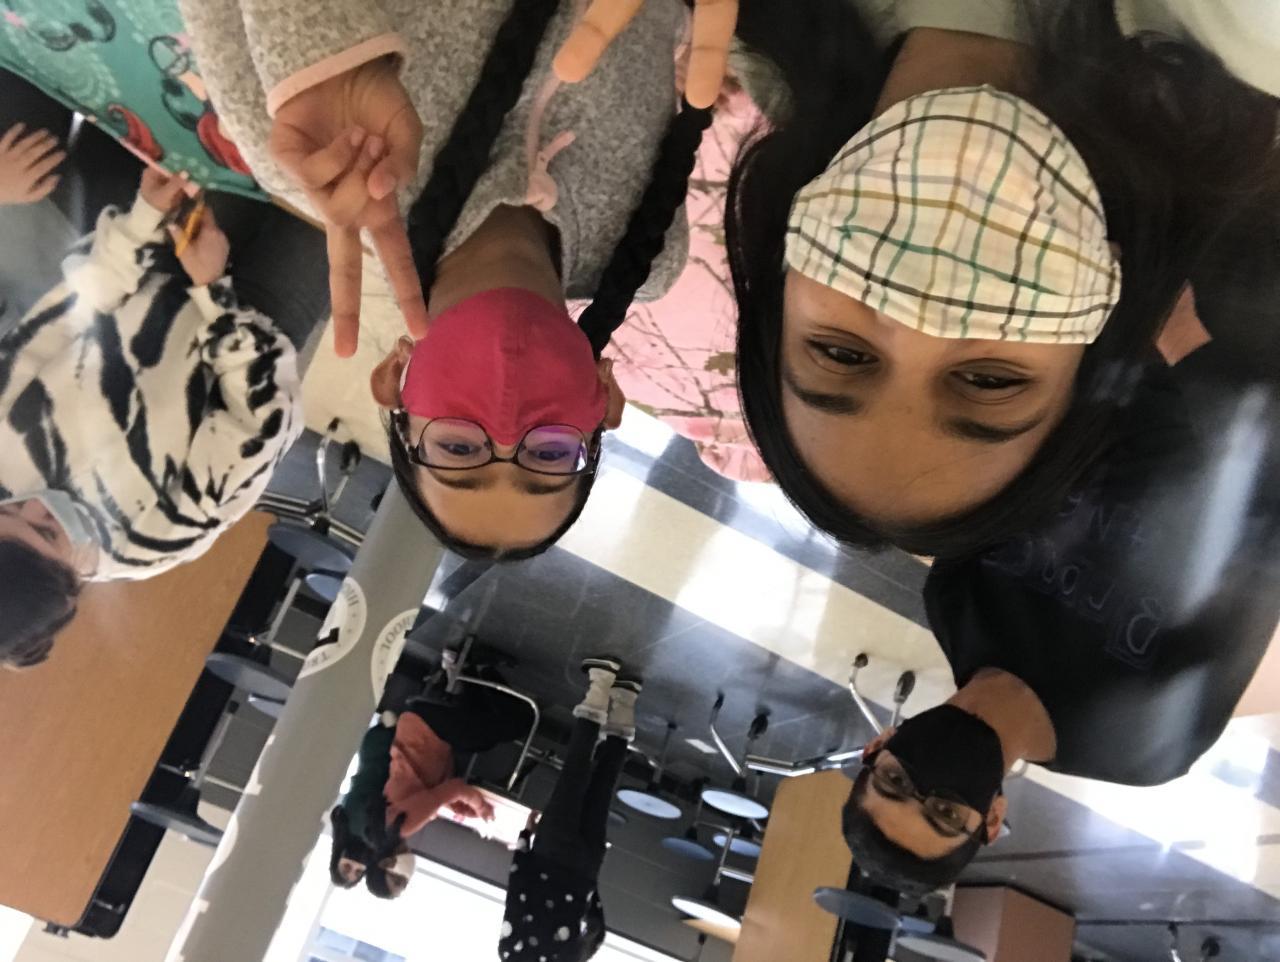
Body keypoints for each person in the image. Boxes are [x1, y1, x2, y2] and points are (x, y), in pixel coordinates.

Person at [181, 0, 716, 560]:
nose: (507, 425)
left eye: (458, 450)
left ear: (394, 379)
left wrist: (316, 42)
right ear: (605, 398)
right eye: (550, 456)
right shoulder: (652, 252)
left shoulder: (310, 144)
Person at [838, 303, 1280, 896]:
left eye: (895, 782)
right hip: (1239, 373)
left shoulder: (953, 601)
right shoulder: (1142, 750)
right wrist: (1189, 345)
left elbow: (1024, 437)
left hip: (1119, 335)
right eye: (945, 812)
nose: (928, 782)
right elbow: (1261, 558)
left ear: (878, 746)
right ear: (991, 818)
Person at [0, 160, 328, 669]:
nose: (35, 506)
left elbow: (63, 316)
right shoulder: (148, 544)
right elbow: (261, 424)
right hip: (260, 316)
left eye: (9, 511)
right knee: (333, 195)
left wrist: (141, 222)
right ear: (71, 584)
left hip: (161, 265)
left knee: (262, 142)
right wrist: (214, 291)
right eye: (47, 532)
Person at [329, 666, 533, 898]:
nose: (406, 878)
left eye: (398, 880)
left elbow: (452, 788)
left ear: (385, 864)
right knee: (482, 738)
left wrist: (481, 808)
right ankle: (473, 670)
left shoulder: (400, 827)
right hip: (422, 731)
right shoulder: (386, 827)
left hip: (427, 731)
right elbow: (427, 792)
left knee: (517, 724)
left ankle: (482, 669)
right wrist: (454, 804)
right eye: (403, 884)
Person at [498, 656, 641, 962]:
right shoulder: (510, 954)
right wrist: (525, 838)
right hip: (551, 855)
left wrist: (588, 883)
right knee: (574, 773)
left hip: (586, 866)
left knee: (603, 785)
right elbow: (518, 893)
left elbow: (595, 926)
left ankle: (626, 699)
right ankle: (601, 682)